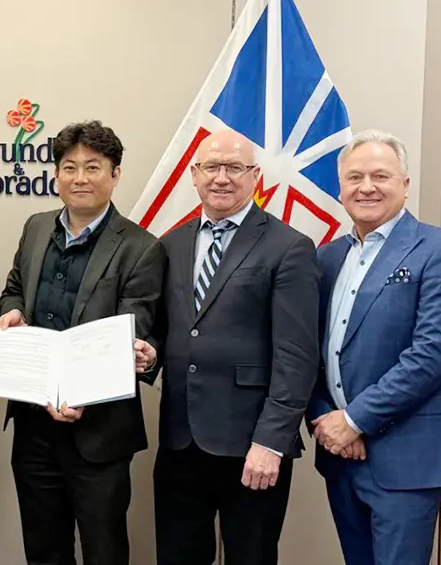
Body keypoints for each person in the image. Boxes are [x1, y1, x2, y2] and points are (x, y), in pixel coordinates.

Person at [0, 119, 163, 565]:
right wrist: (10, 309)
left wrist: (80, 394)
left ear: (115, 173)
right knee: (43, 548)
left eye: (93, 167)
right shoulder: (35, 227)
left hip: (100, 433)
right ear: (56, 173)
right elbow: (14, 287)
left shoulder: (141, 247)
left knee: (103, 550)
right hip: (33, 426)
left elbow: (134, 331)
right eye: (69, 167)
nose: (80, 178)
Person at [307, 130, 441, 565]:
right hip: (341, 457)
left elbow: (433, 355)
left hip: (407, 458)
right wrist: (327, 418)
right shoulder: (326, 259)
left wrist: (356, 420)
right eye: (355, 177)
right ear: (340, 188)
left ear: (404, 183)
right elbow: (309, 349)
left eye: (380, 175)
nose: (366, 187)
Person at [153, 129, 320, 565]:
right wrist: (147, 354)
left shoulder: (289, 248)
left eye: (234, 168)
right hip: (180, 441)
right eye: (211, 167)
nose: (221, 178)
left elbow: (297, 356)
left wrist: (272, 441)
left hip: (251, 444)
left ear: (256, 176)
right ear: (194, 175)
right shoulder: (171, 244)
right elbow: (167, 329)